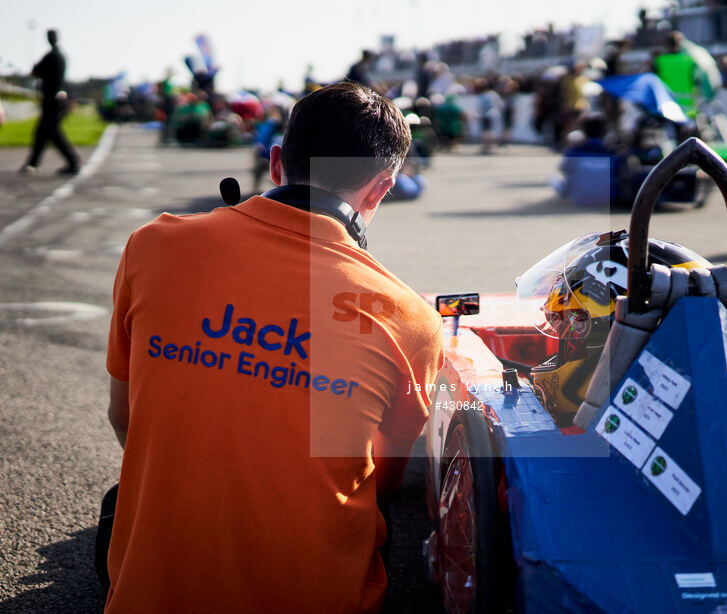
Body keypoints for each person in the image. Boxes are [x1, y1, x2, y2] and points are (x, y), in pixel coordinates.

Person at [101, 81, 444, 613]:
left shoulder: (153, 246)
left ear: (277, 162)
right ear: (380, 190)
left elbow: (125, 416)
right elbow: (382, 475)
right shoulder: (410, 319)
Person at [20, 29, 79, 175]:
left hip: (51, 100)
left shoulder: (51, 56)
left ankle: (73, 162)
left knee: (51, 132)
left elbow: (36, 72)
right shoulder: (60, 56)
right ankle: (33, 163)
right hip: (56, 99)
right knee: (43, 132)